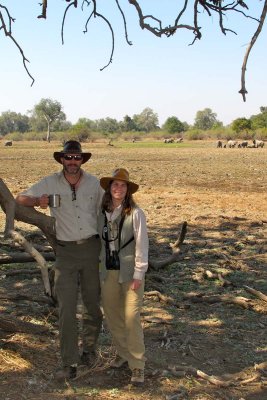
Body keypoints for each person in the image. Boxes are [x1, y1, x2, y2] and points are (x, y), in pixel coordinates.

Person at [16, 140, 103, 380]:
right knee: (65, 308)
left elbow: (109, 207)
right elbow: (20, 199)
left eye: (77, 157)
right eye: (68, 157)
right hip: (64, 253)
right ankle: (68, 363)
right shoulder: (50, 182)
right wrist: (38, 202)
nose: (73, 161)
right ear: (61, 159)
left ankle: (90, 350)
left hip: (91, 249)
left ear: (82, 160)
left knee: (93, 305)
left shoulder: (95, 183)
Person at [98, 168, 149, 386]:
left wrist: (139, 273)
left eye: (123, 185)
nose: (118, 188)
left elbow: (142, 245)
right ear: (110, 188)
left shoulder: (136, 214)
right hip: (108, 271)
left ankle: (137, 365)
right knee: (112, 315)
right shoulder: (102, 212)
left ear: (128, 190)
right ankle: (122, 353)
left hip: (130, 273)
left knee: (131, 319)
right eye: (115, 184)